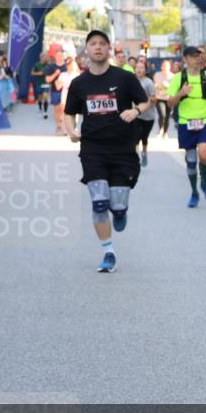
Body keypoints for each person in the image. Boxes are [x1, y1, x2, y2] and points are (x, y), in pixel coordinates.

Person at [63, 30, 151, 273]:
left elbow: (145, 101)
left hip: (123, 148)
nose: (98, 47)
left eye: (102, 43)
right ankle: (108, 252)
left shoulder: (124, 77)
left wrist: (136, 111)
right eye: (93, 43)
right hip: (93, 148)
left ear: (109, 48)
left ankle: (120, 212)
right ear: (87, 49)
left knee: (118, 204)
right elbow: (69, 113)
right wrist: (71, 130)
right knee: (100, 203)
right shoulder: (79, 83)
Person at [166, 46, 206, 208]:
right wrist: (181, 93)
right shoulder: (178, 78)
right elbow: (170, 103)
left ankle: (204, 183)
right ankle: (194, 192)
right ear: (185, 59)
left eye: (199, 56)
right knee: (191, 160)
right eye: (193, 56)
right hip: (186, 122)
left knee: (203, 154)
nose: (197, 59)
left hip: (205, 120)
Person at [134, 60, 157, 167]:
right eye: (137, 67)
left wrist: (148, 102)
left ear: (145, 70)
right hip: (136, 114)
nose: (139, 70)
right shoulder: (132, 81)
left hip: (148, 116)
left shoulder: (148, 82)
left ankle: (144, 153)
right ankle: (135, 157)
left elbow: (154, 98)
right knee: (135, 137)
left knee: (144, 137)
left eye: (141, 68)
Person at [45, 49, 67, 135]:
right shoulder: (51, 67)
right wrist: (55, 74)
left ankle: (64, 127)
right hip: (55, 91)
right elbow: (47, 80)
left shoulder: (67, 66)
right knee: (57, 110)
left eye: (61, 56)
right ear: (55, 57)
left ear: (64, 57)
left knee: (64, 110)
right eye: (58, 56)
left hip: (66, 91)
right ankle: (58, 126)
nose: (60, 57)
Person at [153, 59, 173, 138]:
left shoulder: (172, 76)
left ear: (169, 67)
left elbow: (174, 88)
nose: (165, 67)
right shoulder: (157, 75)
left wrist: (166, 85)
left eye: (167, 66)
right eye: (164, 66)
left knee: (167, 116)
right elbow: (155, 85)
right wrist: (159, 86)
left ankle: (165, 132)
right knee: (162, 115)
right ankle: (160, 129)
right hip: (160, 98)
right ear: (161, 67)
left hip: (169, 98)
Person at [30, 52, 50, 119]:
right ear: (41, 57)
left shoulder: (48, 65)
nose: (47, 58)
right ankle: (40, 108)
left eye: (47, 57)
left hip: (46, 83)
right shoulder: (37, 65)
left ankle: (45, 112)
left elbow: (49, 72)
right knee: (40, 97)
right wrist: (39, 73)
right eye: (45, 57)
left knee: (45, 96)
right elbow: (32, 73)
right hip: (38, 83)